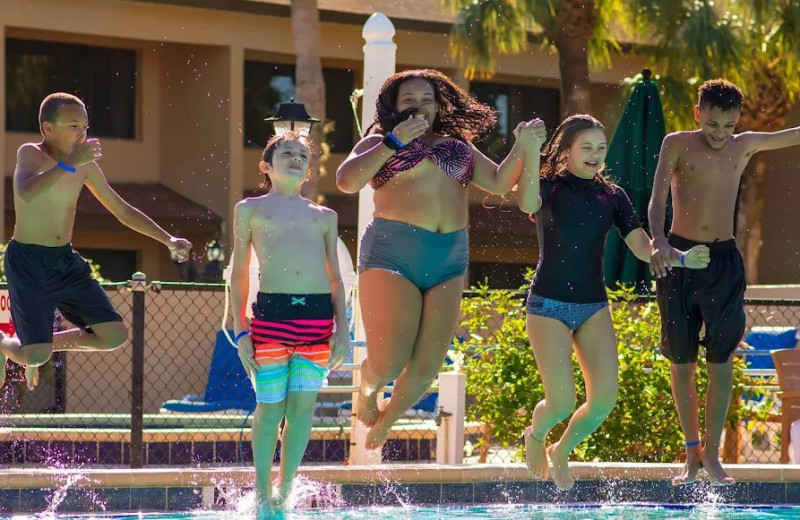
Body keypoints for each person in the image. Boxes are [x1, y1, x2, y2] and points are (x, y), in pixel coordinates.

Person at [336, 68, 546, 450]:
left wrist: (523, 145)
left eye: (427, 100)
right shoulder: (379, 141)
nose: (419, 107)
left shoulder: (456, 145)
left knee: (428, 366)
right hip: (392, 251)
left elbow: (500, 182)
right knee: (388, 364)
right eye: (409, 101)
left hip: (449, 256)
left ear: (438, 105)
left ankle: (388, 420)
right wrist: (392, 144)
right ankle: (367, 389)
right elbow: (347, 181)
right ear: (393, 107)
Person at [518, 114, 710, 491]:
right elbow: (526, 201)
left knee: (603, 401)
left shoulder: (612, 196)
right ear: (567, 151)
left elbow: (640, 244)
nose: (595, 154)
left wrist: (680, 258)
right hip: (547, 305)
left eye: (600, 148)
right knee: (560, 403)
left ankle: (562, 450)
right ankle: (536, 435)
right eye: (586, 147)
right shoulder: (549, 187)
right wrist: (528, 150)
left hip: (592, 306)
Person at [649, 79, 800, 486]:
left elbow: (793, 135)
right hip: (680, 260)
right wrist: (659, 241)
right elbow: (657, 199)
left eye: (728, 125)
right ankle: (691, 452)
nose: (719, 133)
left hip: (724, 263)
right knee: (682, 364)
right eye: (712, 123)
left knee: (721, 363)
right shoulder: (676, 143)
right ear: (698, 114)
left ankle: (712, 457)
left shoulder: (745, 144)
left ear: (738, 121)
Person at [0, 92, 192, 390]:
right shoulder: (31, 154)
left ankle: (41, 346)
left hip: (64, 260)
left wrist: (167, 239)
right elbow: (25, 192)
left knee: (113, 335)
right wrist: (68, 163)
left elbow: (122, 210)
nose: (82, 133)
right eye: (73, 126)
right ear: (47, 129)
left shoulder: (85, 166)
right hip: (28, 261)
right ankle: (5, 344)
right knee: (34, 355)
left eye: (85, 126)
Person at [230, 131, 349, 514]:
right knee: (269, 408)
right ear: (266, 166)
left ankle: (286, 490)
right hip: (269, 320)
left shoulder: (324, 216)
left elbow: (335, 279)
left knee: (300, 413)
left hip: (317, 322)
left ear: (308, 169)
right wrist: (240, 329)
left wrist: (342, 330)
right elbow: (240, 275)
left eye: (301, 154)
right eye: (287, 152)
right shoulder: (250, 209)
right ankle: (263, 491)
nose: (295, 157)